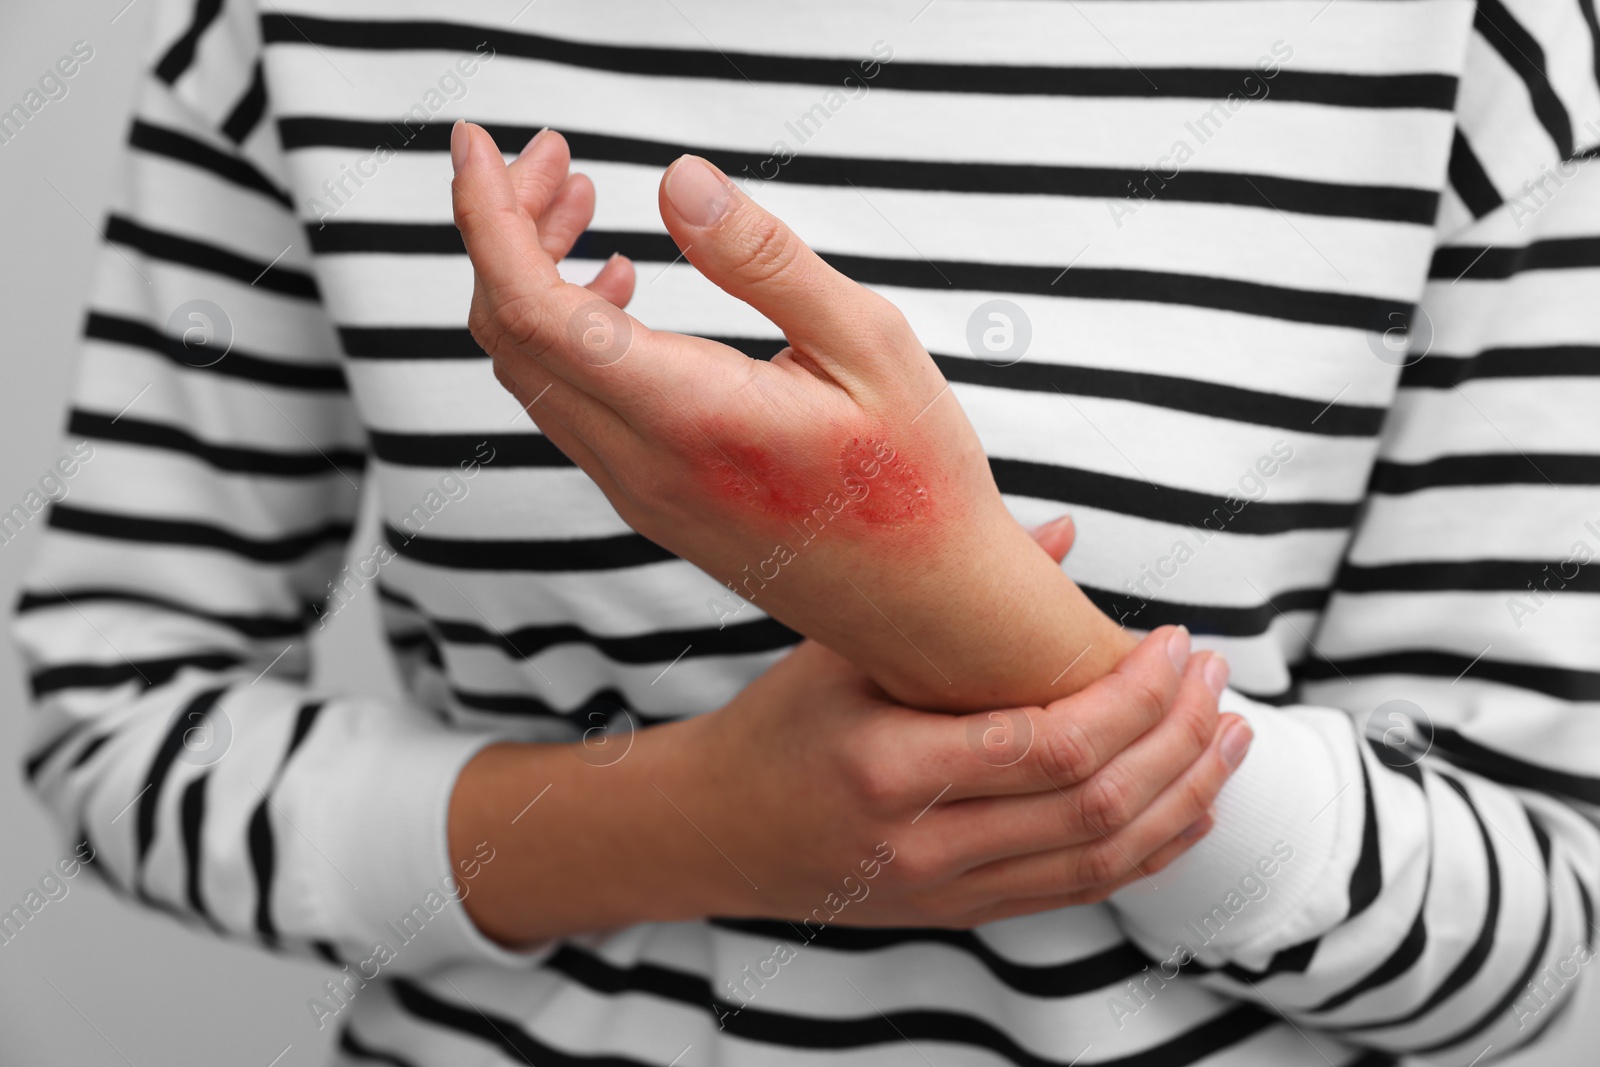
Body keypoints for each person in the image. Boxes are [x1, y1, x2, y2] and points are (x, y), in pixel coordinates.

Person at [13, 1, 1600, 1064]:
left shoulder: (1471, 46)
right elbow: (115, 723)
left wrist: (956, 612)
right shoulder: (291, 32)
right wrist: (694, 823)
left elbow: (1537, 935)